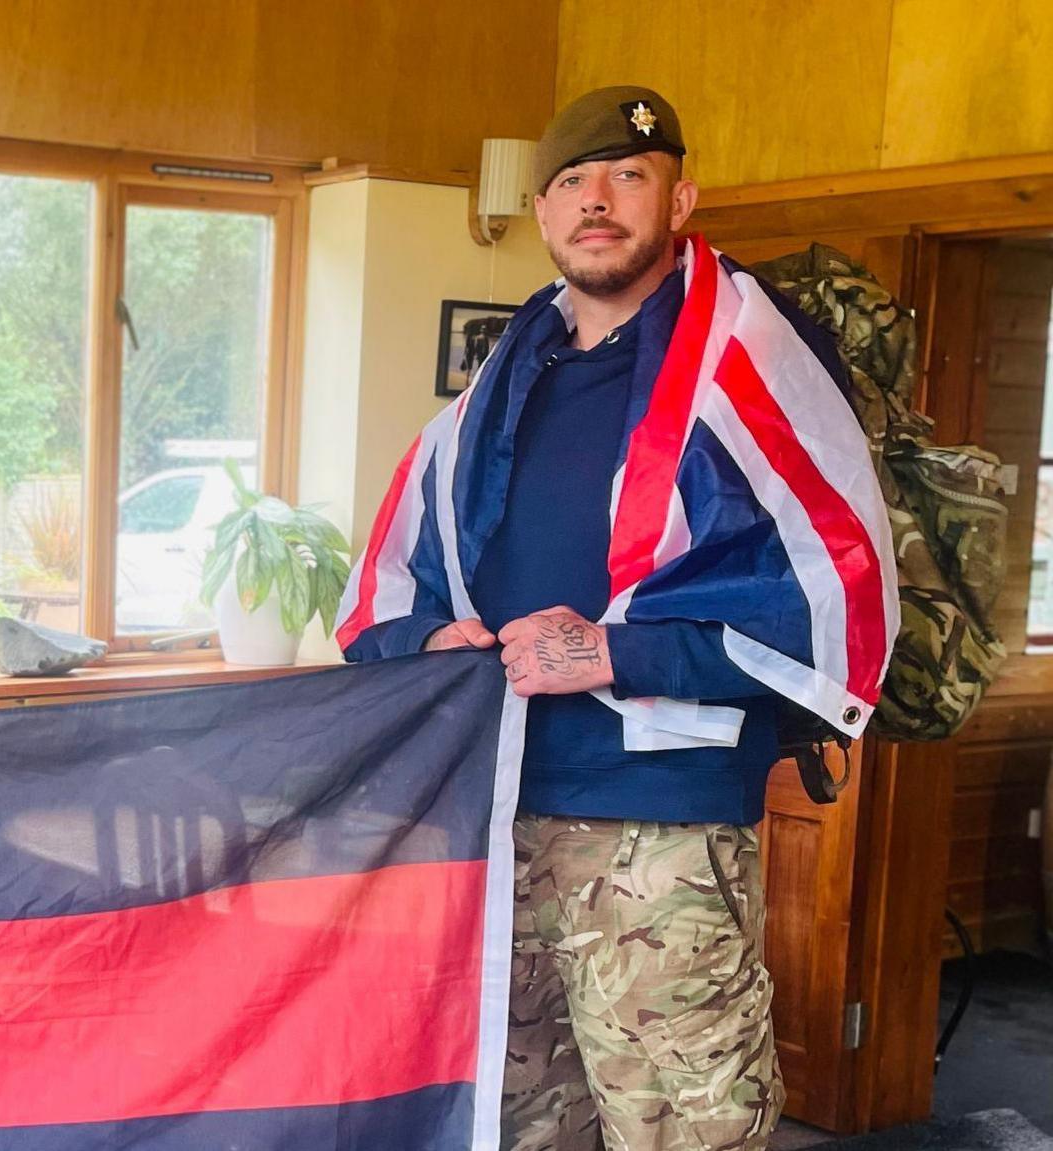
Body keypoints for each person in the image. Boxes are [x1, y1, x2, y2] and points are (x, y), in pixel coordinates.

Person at [335, 88, 895, 1151]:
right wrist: (429, 642)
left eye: (626, 178)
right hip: (494, 804)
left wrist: (609, 648)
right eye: (572, 184)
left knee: (684, 1124)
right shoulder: (505, 378)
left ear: (677, 197)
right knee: (517, 1114)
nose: (597, 202)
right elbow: (390, 581)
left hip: (658, 822)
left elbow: (832, 593)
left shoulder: (752, 364)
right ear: (542, 212)